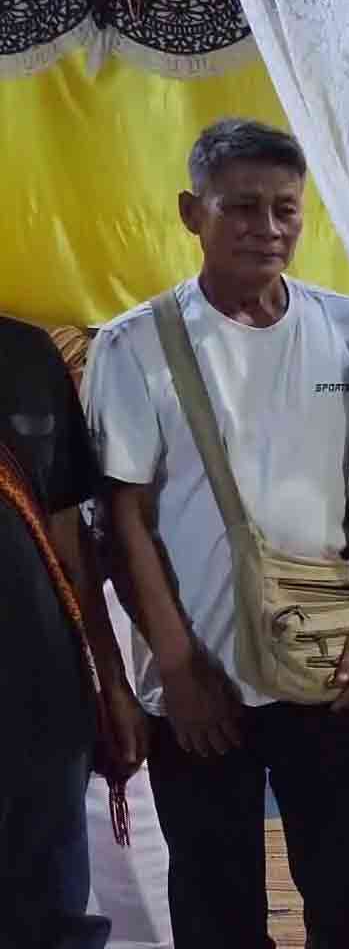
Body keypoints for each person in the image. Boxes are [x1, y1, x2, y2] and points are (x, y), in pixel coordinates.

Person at [85, 118, 349, 946]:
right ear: (193, 213)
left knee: (347, 883)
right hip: (202, 682)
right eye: (242, 207)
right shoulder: (134, 347)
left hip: (327, 661)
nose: (268, 228)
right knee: (217, 900)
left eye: (285, 209)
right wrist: (177, 666)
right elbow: (123, 522)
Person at [0, 317, 145, 949]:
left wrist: (111, 685)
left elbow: (71, 543)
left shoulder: (28, 355)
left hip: (42, 693)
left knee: (50, 912)